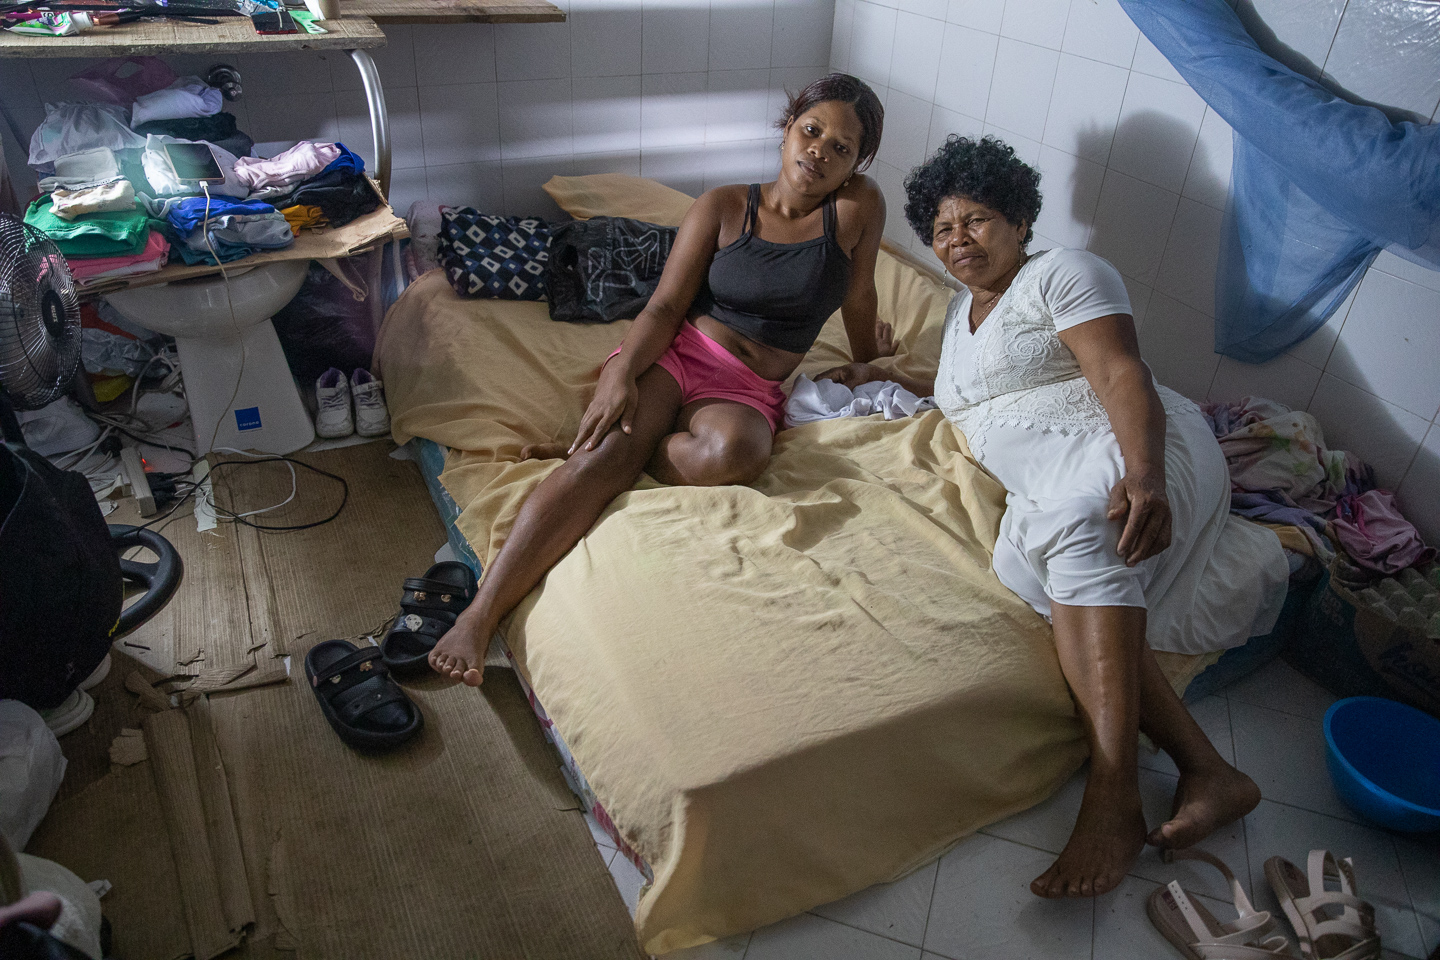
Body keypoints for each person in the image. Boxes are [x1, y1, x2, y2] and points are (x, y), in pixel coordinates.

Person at [820, 135, 1289, 899]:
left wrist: (1145, 476)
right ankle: (1210, 770)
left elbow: (1118, 369)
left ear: (1018, 220)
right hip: (1047, 476)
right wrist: (881, 370)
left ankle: (1115, 789)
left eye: (975, 220)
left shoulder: (1062, 272)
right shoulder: (958, 310)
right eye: (942, 229)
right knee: (1030, 564)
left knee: (1079, 527)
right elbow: (971, 388)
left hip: (1123, 440)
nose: (957, 240)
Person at [428, 74, 891, 685]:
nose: (820, 152)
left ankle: (631, 451)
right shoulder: (725, 206)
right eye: (812, 131)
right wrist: (621, 369)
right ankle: (480, 616)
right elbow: (666, 307)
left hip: (747, 387)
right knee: (595, 467)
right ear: (786, 129)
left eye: (842, 148)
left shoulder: (857, 210)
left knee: (735, 452)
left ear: (858, 164)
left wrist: (868, 365)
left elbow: (860, 297)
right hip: (682, 354)